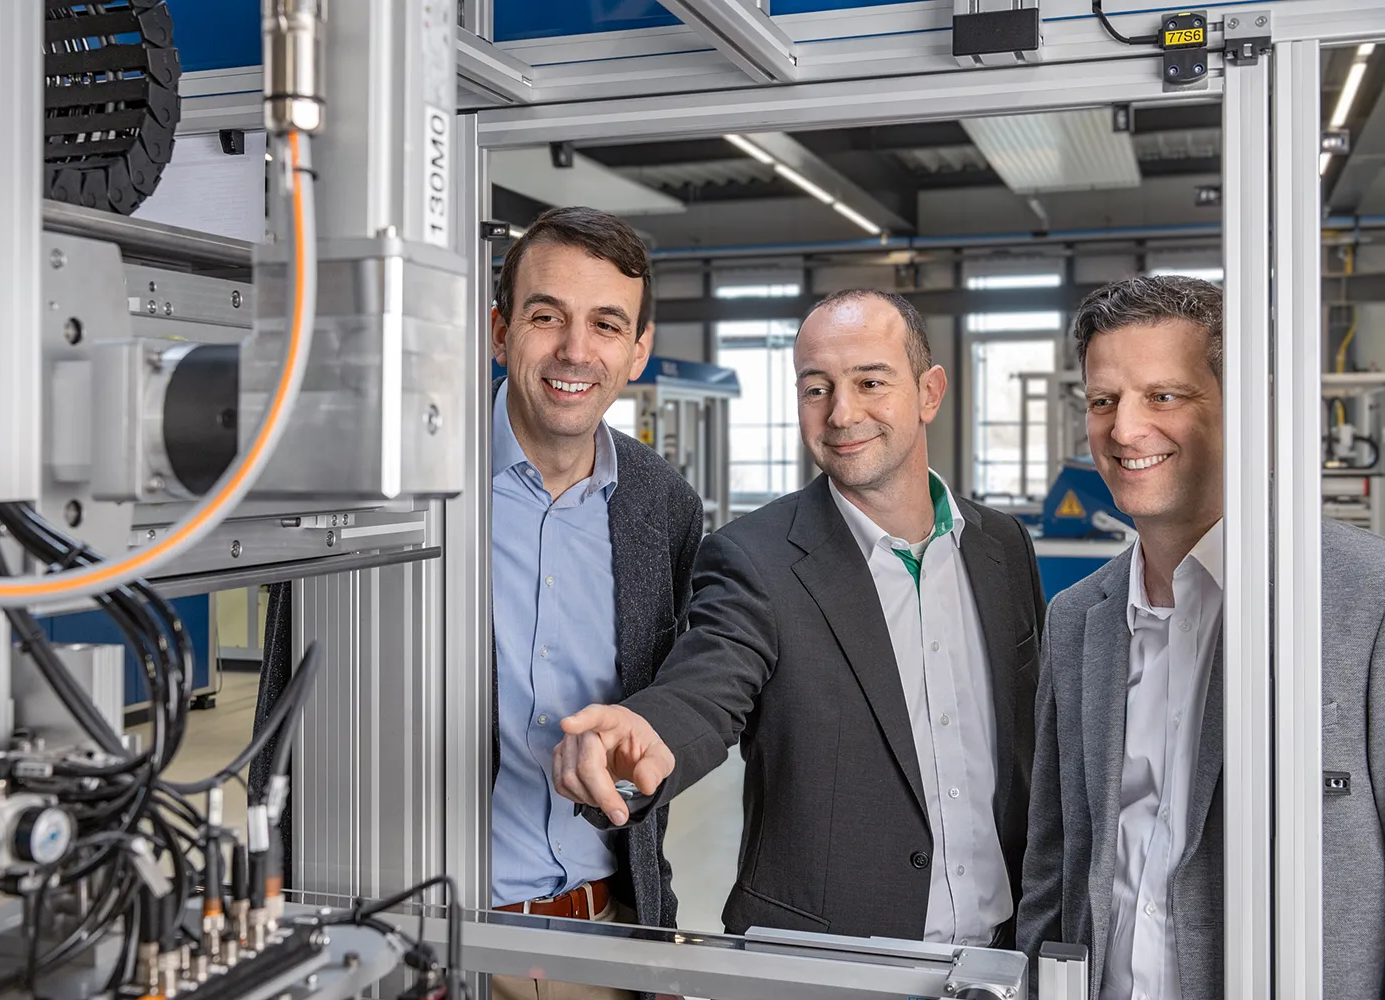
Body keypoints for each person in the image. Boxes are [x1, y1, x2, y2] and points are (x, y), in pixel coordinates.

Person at [550, 288, 1045, 945]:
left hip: (1002, 952)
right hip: (823, 957)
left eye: (871, 381)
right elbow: (704, 691)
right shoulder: (756, 558)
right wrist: (639, 736)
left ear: (929, 393)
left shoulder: (1002, 548)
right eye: (816, 388)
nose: (842, 413)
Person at [1016, 275, 1385, 1000]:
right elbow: (1053, 865)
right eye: (1103, 401)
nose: (1124, 430)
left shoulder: (1360, 600)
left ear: (1244, 409)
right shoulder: (1076, 619)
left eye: (1164, 396)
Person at [487, 206, 705, 1000]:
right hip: (426, 933)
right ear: (499, 331)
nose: (576, 351)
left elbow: (672, 703)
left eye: (607, 324)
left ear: (638, 350)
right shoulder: (411, 482)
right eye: (547, 316)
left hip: (606, 934)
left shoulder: (663, 505)